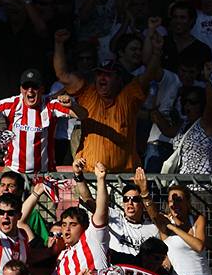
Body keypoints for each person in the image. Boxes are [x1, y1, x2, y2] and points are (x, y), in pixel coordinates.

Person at [53, 26, 164, 171]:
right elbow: (62, 74)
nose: (102, 78)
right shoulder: (88, 93)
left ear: (118, 79)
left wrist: (156, 52)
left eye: (108, 75)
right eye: (99, 74)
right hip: (89, 176)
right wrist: (59, 44)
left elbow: (148, 75)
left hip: (123, 178)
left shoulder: (128, 97)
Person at [0, 68, 77, 172]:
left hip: (42, 173)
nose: (30, 90)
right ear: (21, 89)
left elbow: (82, 115)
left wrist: (73, 105)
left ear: (42, 89)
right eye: (26, 87)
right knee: (0, 197)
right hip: (13, 172)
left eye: (34, 87)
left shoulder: (51, 105)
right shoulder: (10, 104)